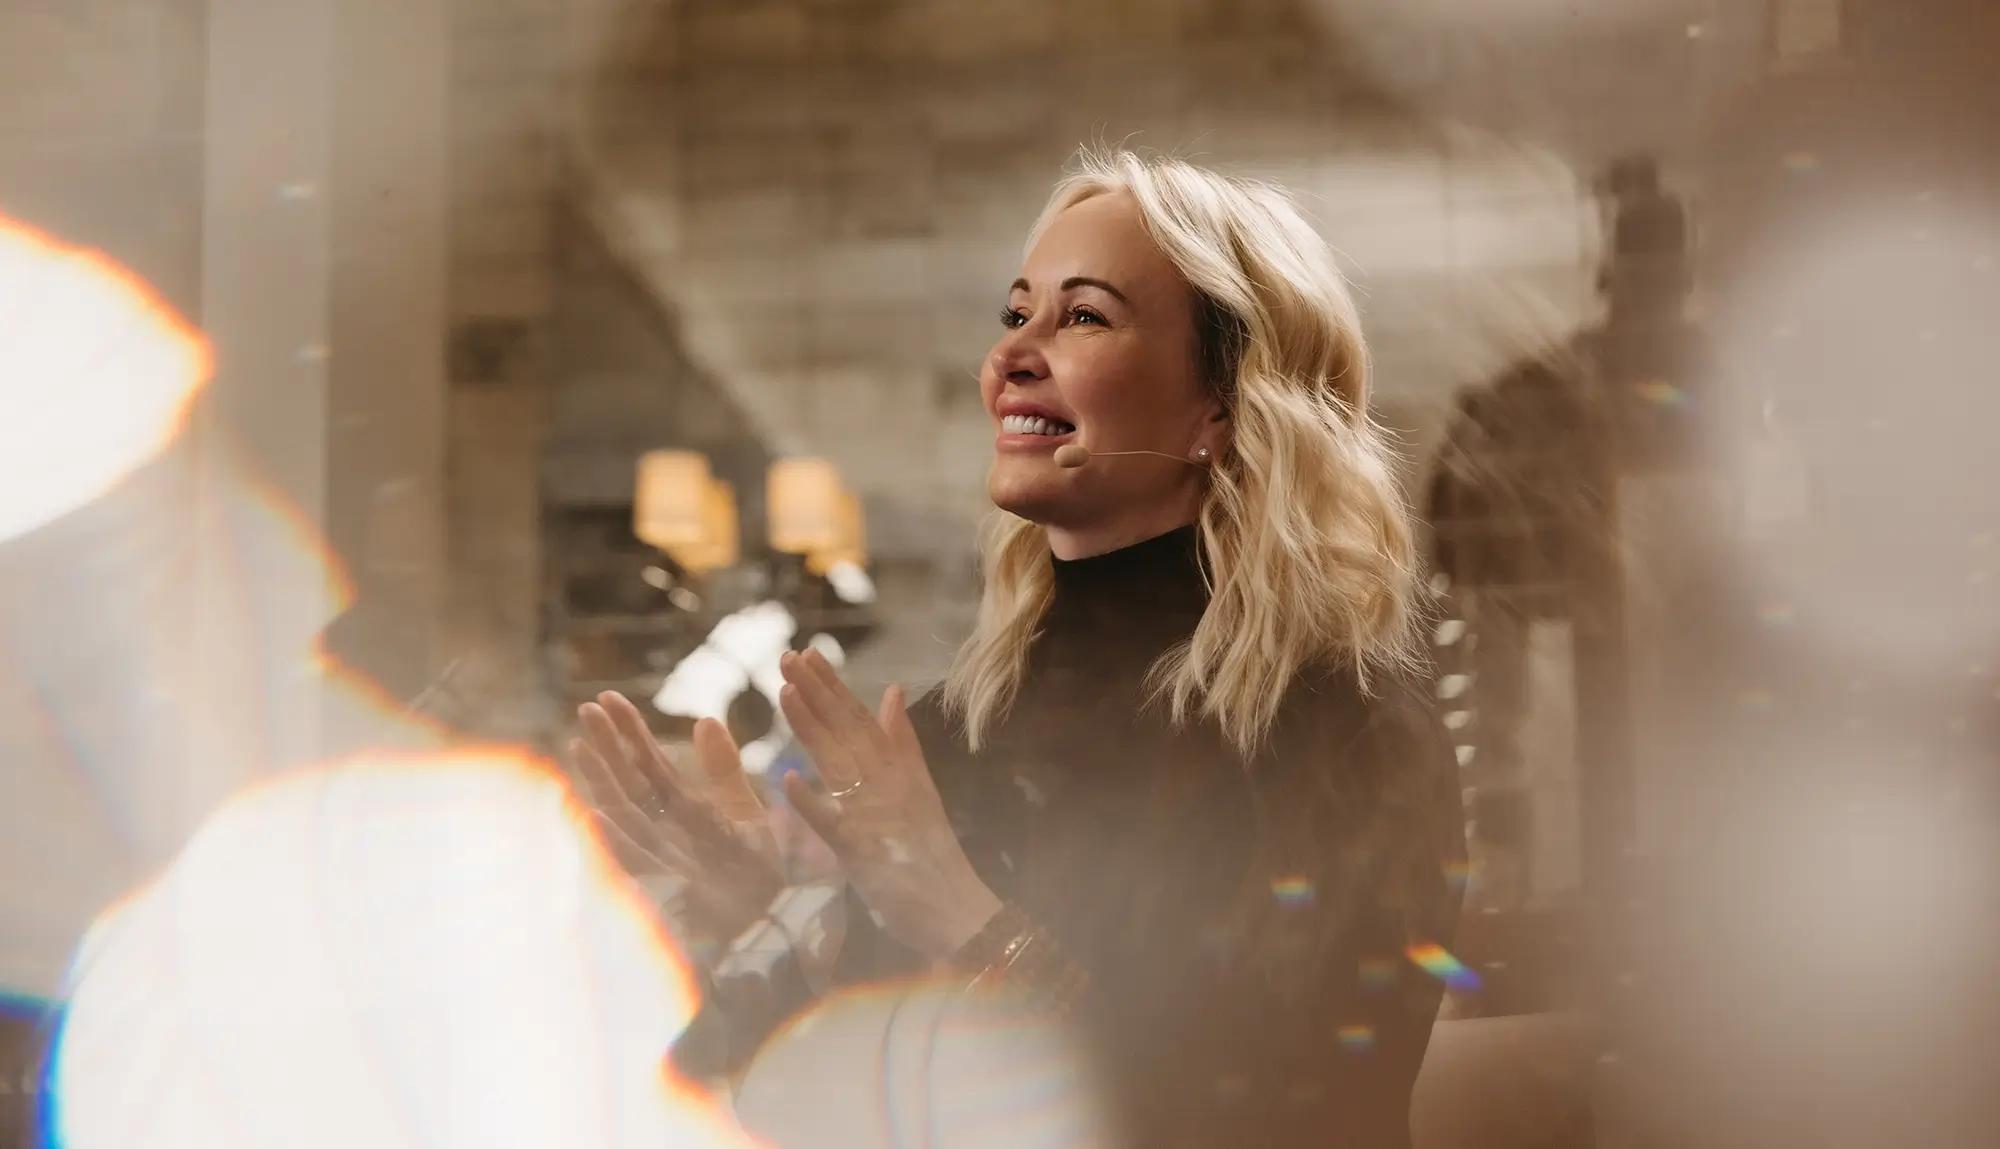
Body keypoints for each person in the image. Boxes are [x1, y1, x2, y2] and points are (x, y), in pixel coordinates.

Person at [574, 148, 1466, 1148]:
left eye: (1083, 316)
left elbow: (1268, 1114)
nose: (1010, 358)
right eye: (1015, 314)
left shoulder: (1350, 739)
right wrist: (757, 918)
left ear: (1220, 403)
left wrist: (963, 918)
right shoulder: (948, 737)